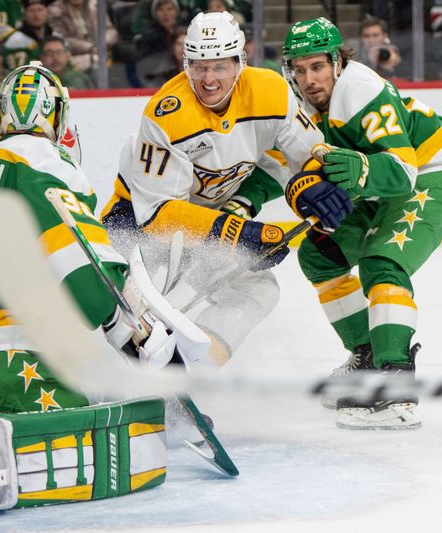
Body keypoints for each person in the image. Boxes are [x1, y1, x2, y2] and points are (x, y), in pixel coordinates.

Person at [0, 60, 197, 513]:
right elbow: (85, 264)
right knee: (81, 404)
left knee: (26, 367)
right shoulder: (45, 163)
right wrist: (136, 332)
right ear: (58, 117)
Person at [103, 12, 350, 362]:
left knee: (257, 288)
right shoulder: (165, 113)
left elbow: (307, 152)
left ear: (240, 62)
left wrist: (311, 183)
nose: (208, 78)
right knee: (154, 302)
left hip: (204, 224)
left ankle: (193, 368)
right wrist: (237, 231)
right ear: (185, 64)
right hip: (137, 222)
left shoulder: (271, 91)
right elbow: (157, 215)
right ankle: (108, 370)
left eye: (219, 66)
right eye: (199, 66)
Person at [283, 18, 442, 429]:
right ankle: (366, 358)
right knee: (320, 255)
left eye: (316, 66)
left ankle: (396, 384)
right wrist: (242, 210)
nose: (308, 79)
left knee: (381, 263)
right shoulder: (297, 104)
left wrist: (361, 169)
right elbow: (277, 164)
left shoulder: (361, 90)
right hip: (375, 184)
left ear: (337, 62)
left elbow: (403, 170)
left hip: (433, 174)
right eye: (298, 69)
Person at [47, 0, 118, 73]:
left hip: (102, 49)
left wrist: (104, 43)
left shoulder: (95, 5)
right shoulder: (55, 10)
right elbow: (61, 39)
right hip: (73, 56)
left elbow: (109, 29)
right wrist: (91, 48)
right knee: (97, 61)